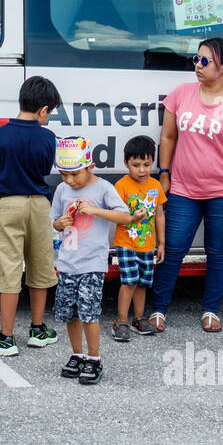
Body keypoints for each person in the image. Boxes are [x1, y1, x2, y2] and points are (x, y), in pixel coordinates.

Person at [149, 38, 223, 333]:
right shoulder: (181, 94)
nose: (197, 66)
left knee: (219, 252)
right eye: (196, 59)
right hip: (183, 189)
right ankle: (158, 309)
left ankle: (211, 310)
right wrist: (164, 173)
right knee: (172, 248)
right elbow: (168, 137)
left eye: (204, 61)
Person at [0, 75, 63, 357]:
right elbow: (44, 171)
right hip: (39, 205)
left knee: (10, 270)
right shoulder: (48, 138)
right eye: (49, 112)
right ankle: (38, 330)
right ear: (42, 110)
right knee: (40, 266)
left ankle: (6, 337)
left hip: (9, 203)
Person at [51, 137, 136, 384]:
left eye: (74, 174)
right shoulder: (62, 189)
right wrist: (59, 223)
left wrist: (94, 210)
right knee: (70, 313)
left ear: (90, 167)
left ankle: (94, 358)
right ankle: (77, 354)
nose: (68, 180)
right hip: (67, 263)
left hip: (92, 264)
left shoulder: (103, 188)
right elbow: (53, 219)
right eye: (63, 174)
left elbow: (125, 216)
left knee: (89, 313)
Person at [111, 135, 166, 340]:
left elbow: (159, 215)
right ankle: (121, 320)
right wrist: (132, 218)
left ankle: (139, 318)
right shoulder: (121, 186)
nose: (142, 170)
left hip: (147, 245)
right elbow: (117, 215)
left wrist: (161, 243)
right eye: (136, 165)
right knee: (129, 282)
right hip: (126, 243)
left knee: (143, 283)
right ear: (126, 163)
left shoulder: (156, 186)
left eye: (147, 164)